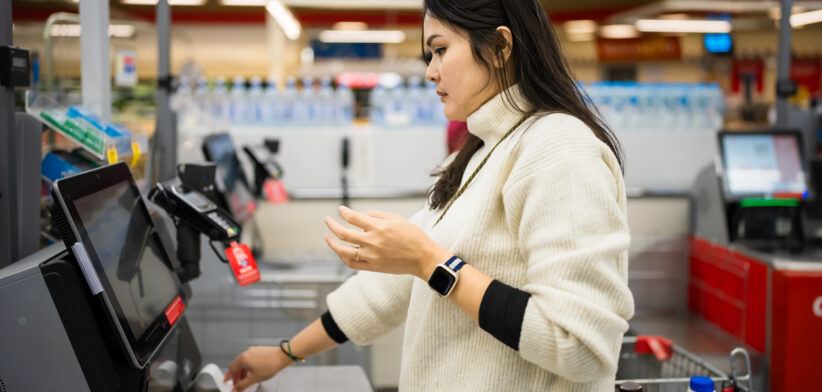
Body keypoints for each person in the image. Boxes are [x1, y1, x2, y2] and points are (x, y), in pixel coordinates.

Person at [224, 0, 634, 390]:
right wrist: (283, 355)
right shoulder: (484, 151)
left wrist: (432, 263)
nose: (430, 72)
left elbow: (580, 345)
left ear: (500, 47)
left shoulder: (558, 148)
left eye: (440, 50)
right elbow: (381, 296)